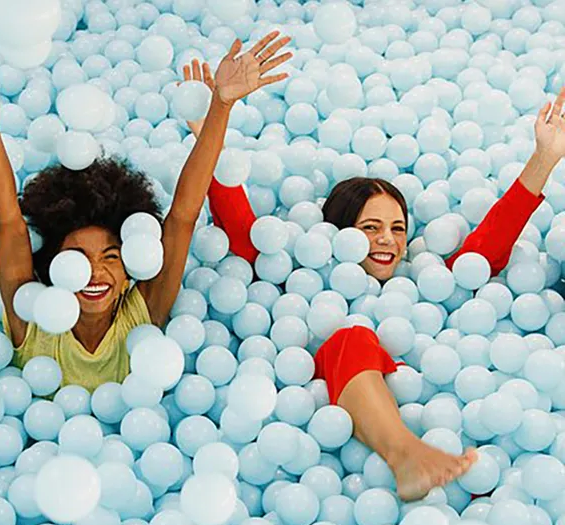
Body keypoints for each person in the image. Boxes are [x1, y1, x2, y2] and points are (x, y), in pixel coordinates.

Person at [195, 69, 565, 500]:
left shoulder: (426, 278)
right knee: (351, 339)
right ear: (337, 234)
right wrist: (211, 137)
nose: (387, 239)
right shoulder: (303, 279)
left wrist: (545, 158)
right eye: (370, 228)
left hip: (440, 416)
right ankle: (406, 455)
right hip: (328, 439)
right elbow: (245, 233)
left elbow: (486, 249)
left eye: (396, 227)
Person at [0, 18, 292, 393]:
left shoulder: (143, 314)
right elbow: (6, 220)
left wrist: (221, 106)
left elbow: (182, 216)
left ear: (132, 268)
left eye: (112, 256)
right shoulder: (32, 319)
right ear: (50, 267)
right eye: (79, 256)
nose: (96, 271)